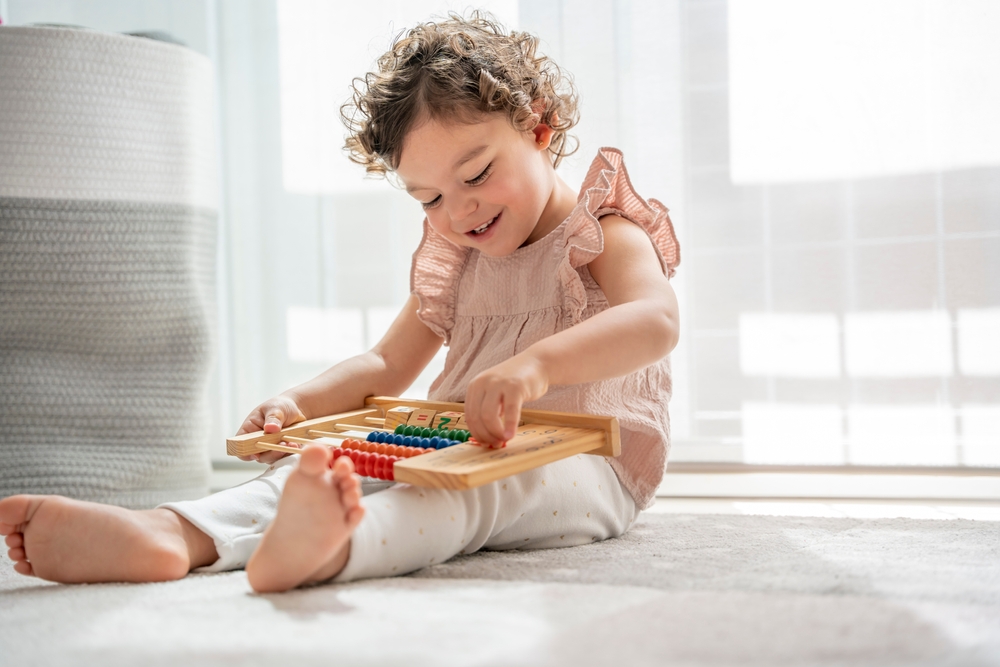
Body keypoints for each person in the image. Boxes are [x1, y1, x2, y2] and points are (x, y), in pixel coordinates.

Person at [0, 12, 680, 593]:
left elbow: (655, 320)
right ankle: (176, 533)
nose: (460, 209)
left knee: (465, 497)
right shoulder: (464, 262)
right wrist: (302, 402)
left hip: (589, 467)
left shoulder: (604, 232)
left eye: (475, 174)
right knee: (339, 461)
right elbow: (386, 363)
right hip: (458, 445)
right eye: (430, 198)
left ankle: (335, 548)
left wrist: (534, 367)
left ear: (539, 126)